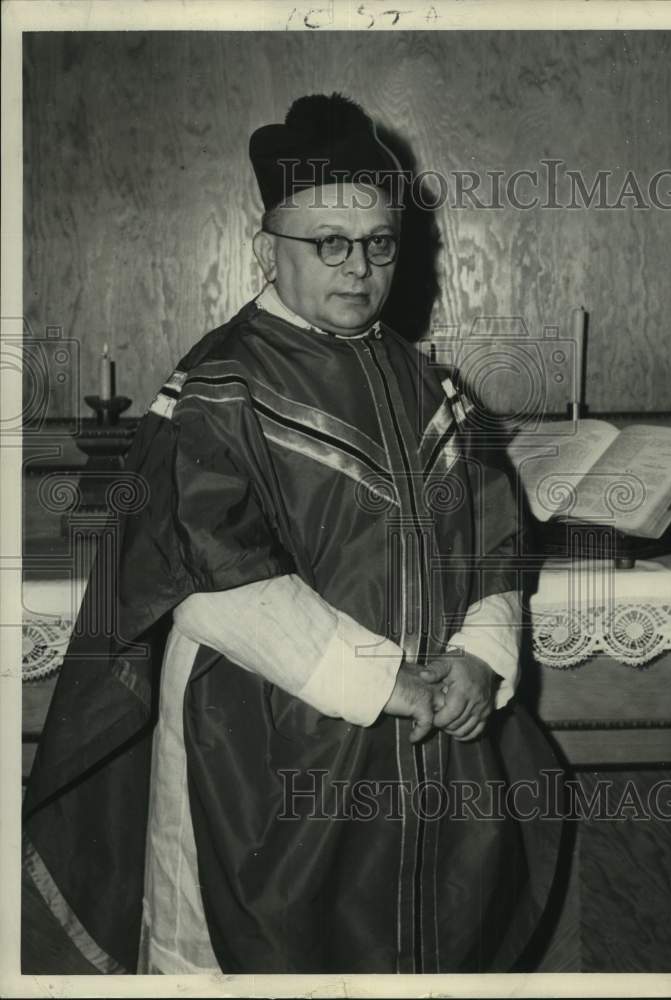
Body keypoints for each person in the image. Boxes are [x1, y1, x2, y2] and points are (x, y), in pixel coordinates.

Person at [22, 93, 561, 975]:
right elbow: (210, 575)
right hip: (266, 736)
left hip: (425, 732)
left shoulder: (429, 383)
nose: (358, 268)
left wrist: (481, 655)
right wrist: (383, 680)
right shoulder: (224, 376)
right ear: (266, 241)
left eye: (379, 243)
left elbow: (491, 534)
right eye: (329, 244)